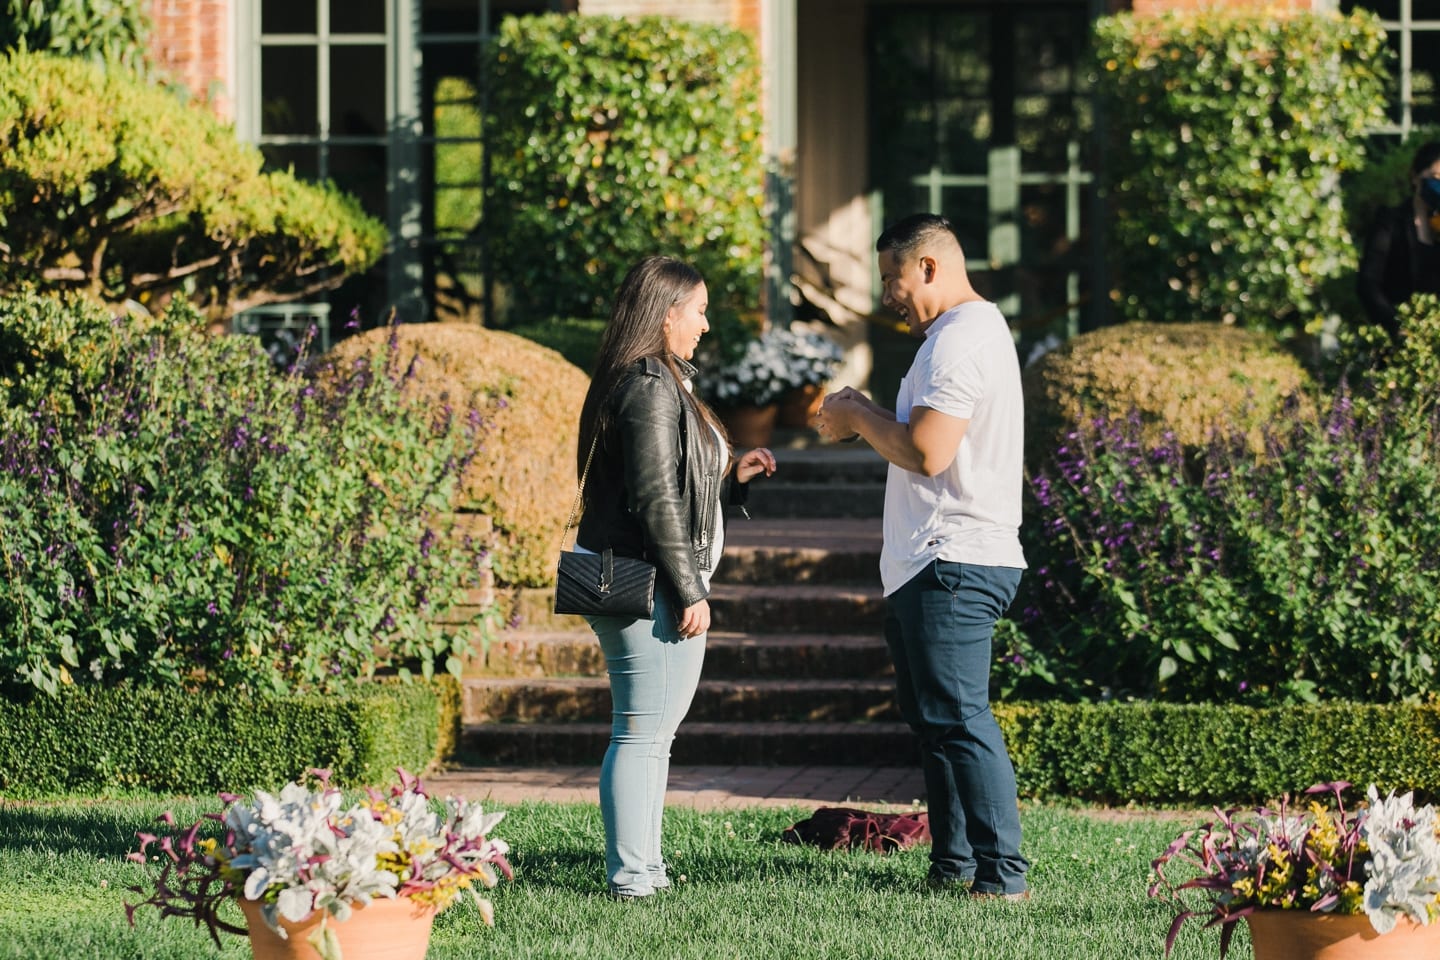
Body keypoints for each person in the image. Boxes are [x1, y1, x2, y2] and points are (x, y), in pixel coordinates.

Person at [812, 213, 1030, 899]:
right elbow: (919, 436)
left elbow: (926, 452)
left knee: (959, 717)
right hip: (927, 562)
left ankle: (1002, 877)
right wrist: (863, 412)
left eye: (892, 278)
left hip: (953, 560)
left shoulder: (960, 340)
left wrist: (854, 415)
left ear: (928, 267)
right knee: (935, 721)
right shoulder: (953, 338)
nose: (887, 295)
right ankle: (954, 863)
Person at [573, 255, 776, 900]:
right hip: (651, 586)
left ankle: (646, 867)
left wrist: (730, 480)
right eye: (699, 310)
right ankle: (633, 876)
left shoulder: (659, 382)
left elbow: (675, 485)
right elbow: (655, 498)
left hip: (655, 577)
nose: (706, 324)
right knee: (641, 730)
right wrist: (689, 588)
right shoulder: (648, 386)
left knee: (653, 732)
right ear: (667, 315)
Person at [1357, 140, 1440, 340]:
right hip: (1400, 335)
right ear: (1415, 176)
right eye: (1435, 178)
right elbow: (1368, 282)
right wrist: (1396, 326)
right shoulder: (1390, 221)